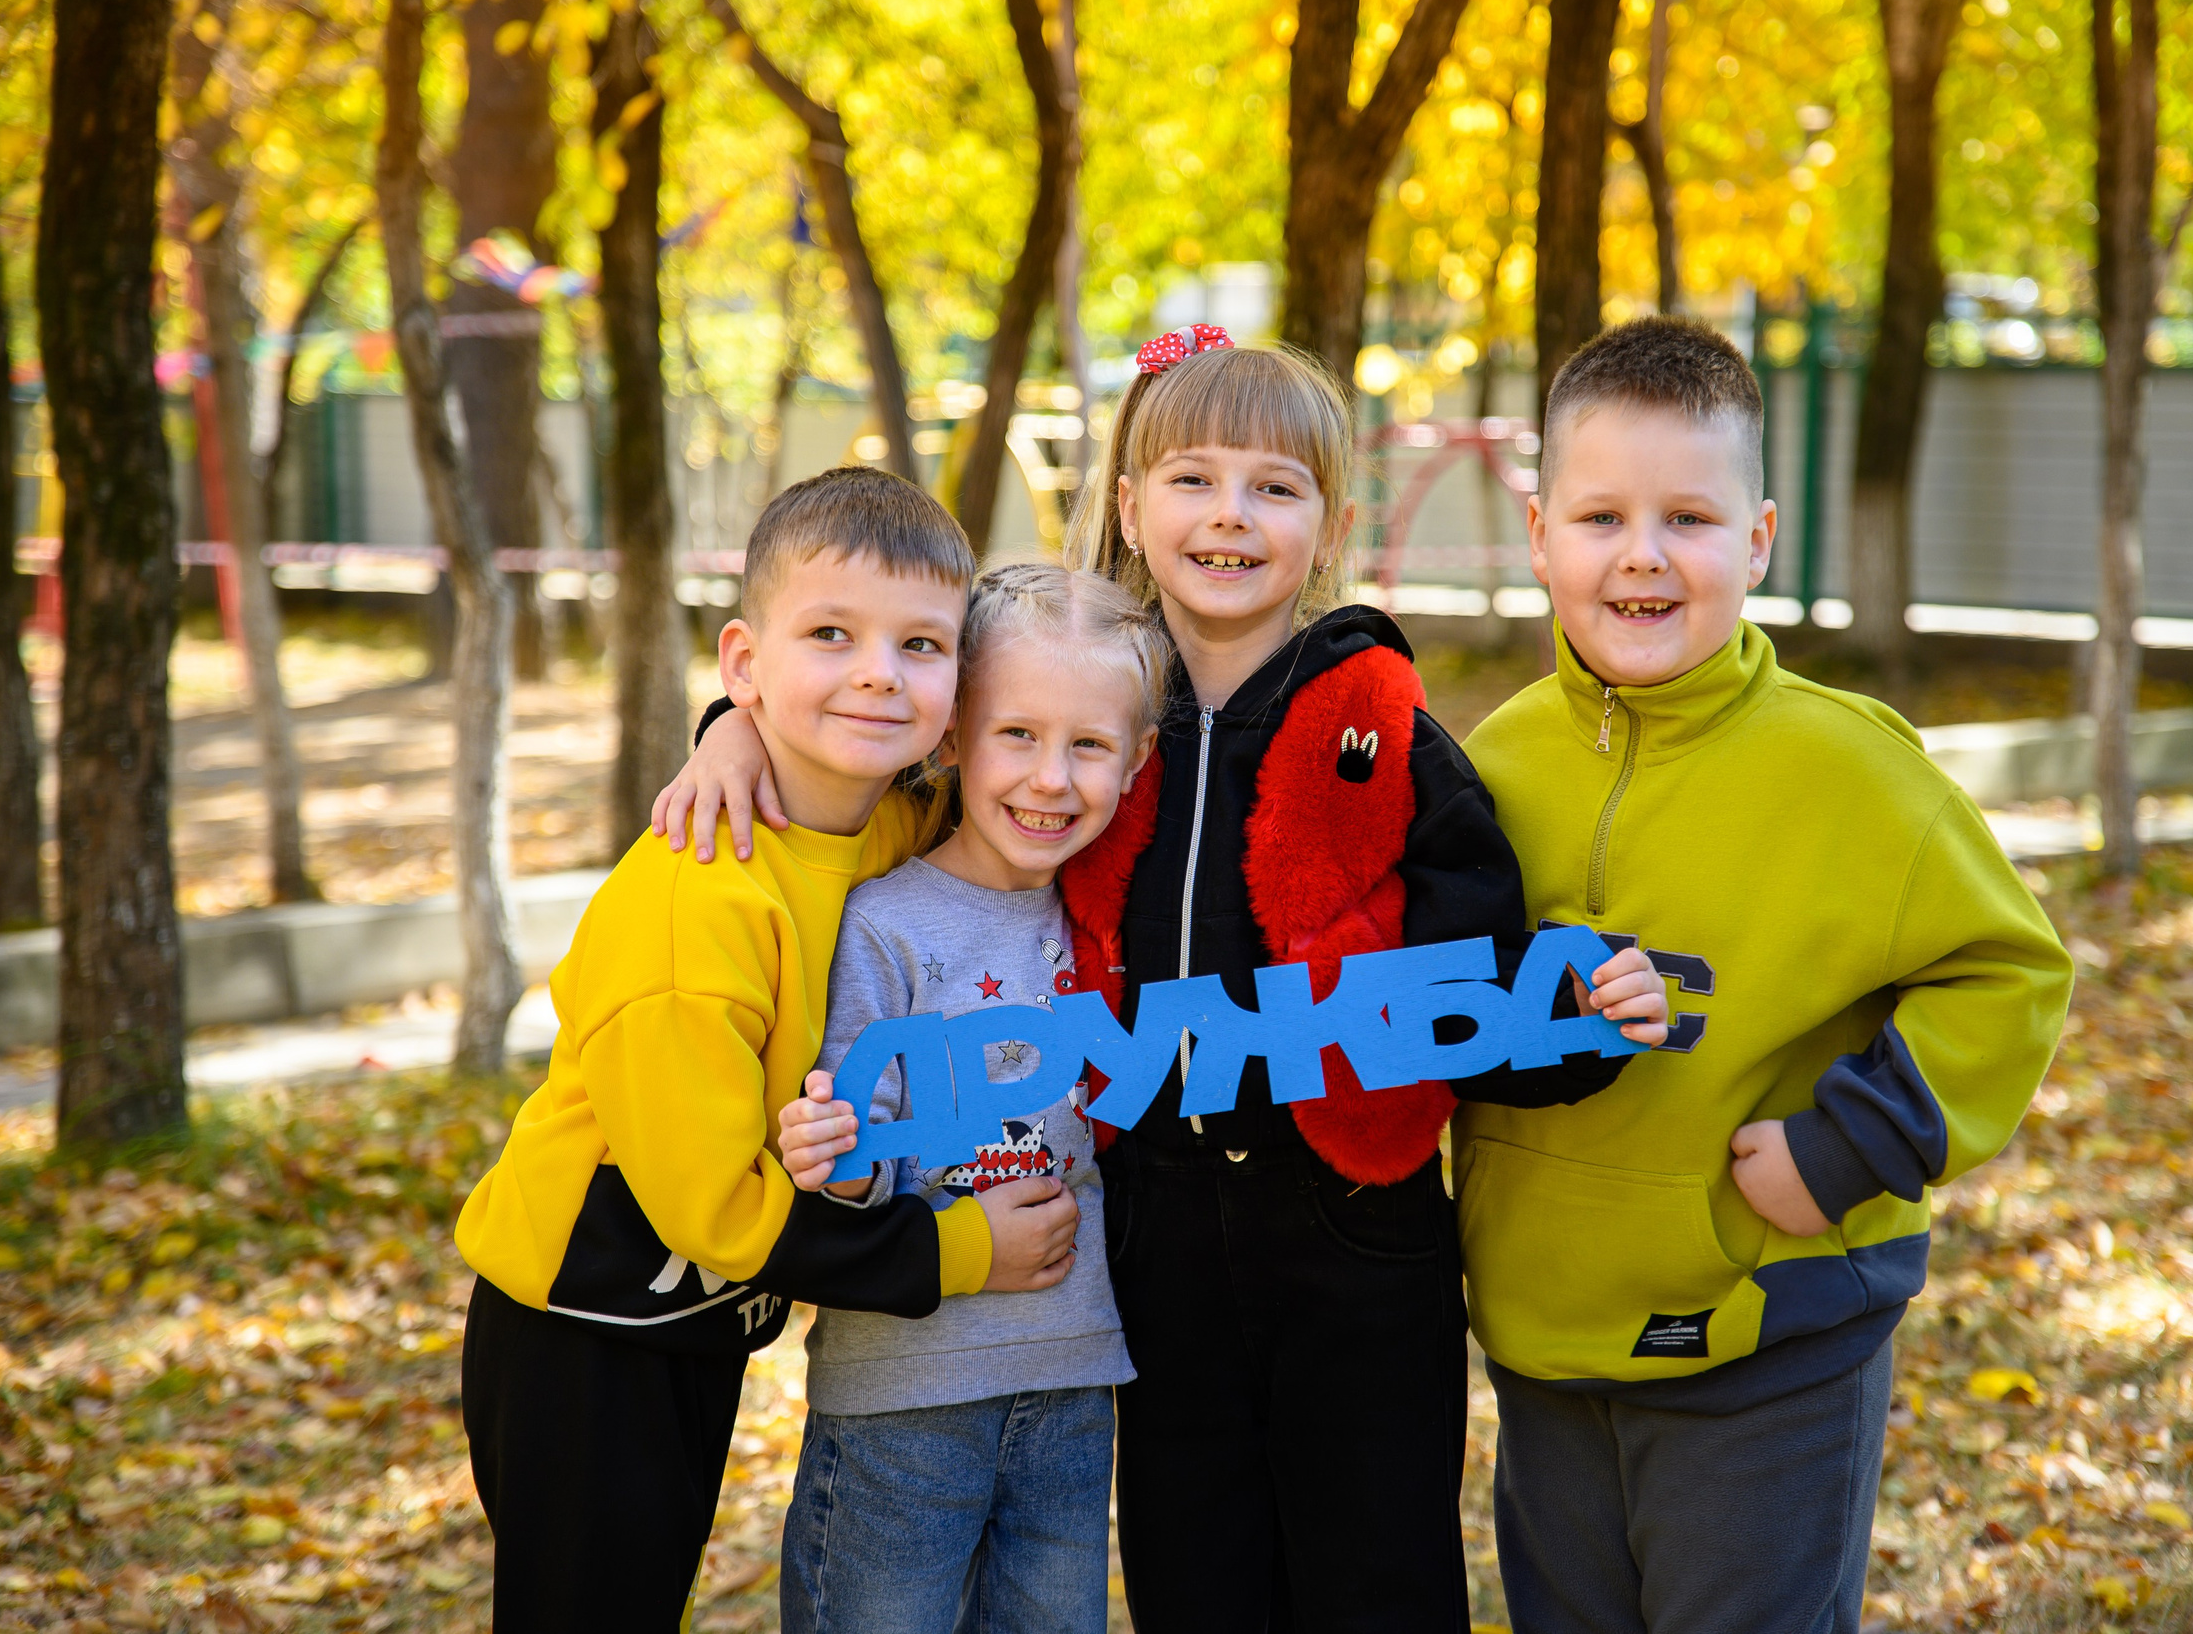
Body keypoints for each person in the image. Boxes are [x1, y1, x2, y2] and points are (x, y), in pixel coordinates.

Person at [654, 331, 1672, 1633]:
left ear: (1329, 520)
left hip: (1357, 1233)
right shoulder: (1074, 695)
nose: (1230, 516)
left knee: (1379, 1572)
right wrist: (732, 727)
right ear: (1131, 503)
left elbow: (1472, 980)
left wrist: (1582, 1025)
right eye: (1192, 478)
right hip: (1151, 1233)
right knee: (1199, 1570)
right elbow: (882, 706)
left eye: (1273, 486)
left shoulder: (1382, 733)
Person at [1456, 317, 2076, 1634]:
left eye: (1689, 516)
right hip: (1543, 1339)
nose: (1641, 553)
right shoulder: (1488, 768)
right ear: (1537, 532)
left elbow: (2009, 970)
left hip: (1769, 1336)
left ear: (1757, 538)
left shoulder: (1849, 767)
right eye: (1601, 514)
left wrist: (1846, 1144)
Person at [453, 468, 1083, 1634]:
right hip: (584, 1327)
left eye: (920, 644)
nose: (876, 672)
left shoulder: (894, 821)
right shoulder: (696, 911)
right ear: (744, 661)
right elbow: (717, 1211)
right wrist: (960, 1247)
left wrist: (731, 733)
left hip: (690, 1318)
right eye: (831, 635)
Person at [769, 562, 1172, 1634]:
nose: (1051, 778)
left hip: (1075, 1381)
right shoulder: (885, 922)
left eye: (1089, 744)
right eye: (1017, 735)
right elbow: (853, 1171)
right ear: (951, 735)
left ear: (1135, 761)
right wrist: (835, 1155)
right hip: (904, 1395)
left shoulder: (1109, 925)